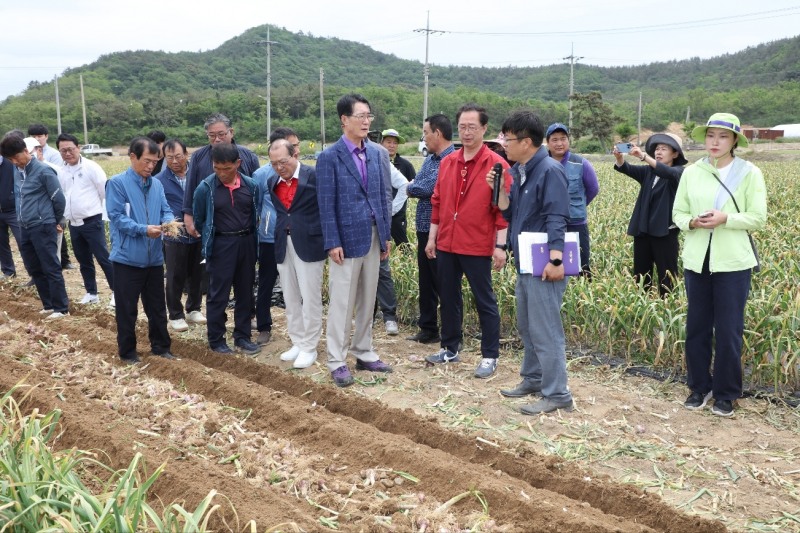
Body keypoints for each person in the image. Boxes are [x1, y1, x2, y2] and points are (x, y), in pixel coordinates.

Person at [672, 112, 766, 418]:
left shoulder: (749, 173)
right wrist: (692, 222)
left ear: (735, 140)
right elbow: (678, 212)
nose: (715, 142)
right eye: (711, 135)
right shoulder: (692, 172)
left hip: (733, 263)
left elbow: (758, 217)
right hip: (697, 260)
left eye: (723, 136)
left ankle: (726, 393)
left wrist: (727, 219)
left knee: (728, 330)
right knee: (697, 327)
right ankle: (699, 387)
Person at [489, 110, 575, 414]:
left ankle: (558, 393)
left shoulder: (549, 170)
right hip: (525, 260)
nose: (504, 146)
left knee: (546, 328)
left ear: (526, 142)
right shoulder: (520, 170)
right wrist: (499, 190)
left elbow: (557, 216)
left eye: (508, 140)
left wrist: (556, 258)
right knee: (528, 325)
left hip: (543, 263)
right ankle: (534, 378)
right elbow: (510, 215)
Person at [424, 104, 510, 379]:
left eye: (473, 127)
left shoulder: (497, 165)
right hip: (447, 242)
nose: (467, 132)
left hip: (476, 244)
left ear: (484, 129)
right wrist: (432, 238)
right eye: (462, 126)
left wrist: (500, 247)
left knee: (484, 300)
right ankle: (450, 347)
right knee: (448, 298)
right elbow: (437, 202)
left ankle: (490, 355)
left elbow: (503, 212)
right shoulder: (448, 162)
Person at [316, 93, 394, 387]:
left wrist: (385, 235)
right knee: (342, 302)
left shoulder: (378, 153)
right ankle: (336, 360)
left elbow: (384, 195)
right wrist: (332, 241)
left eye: (368, 116)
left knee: (367, 298)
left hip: (374, 236)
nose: (366, 121)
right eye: (360, 116)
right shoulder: (328, 157)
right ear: (344, 120)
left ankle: (364, 351)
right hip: (345, 240)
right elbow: (326, 203)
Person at [106, 137, 176, 364]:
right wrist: (143, 230)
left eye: (155, 162)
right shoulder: (117, 183)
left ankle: (161, 348)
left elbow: (166, 209)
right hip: (127, 259)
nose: (150, 166)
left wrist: (168, 224)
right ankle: (127, 353)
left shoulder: (156, 184)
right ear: (133, 157)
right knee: (127, 310)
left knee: (157, 307)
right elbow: (116, 218)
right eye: (146, 161)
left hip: (154, 258)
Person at [192, 143, 261, 356]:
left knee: (245, 292)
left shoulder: (251, 186)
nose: (222, 173)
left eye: (227, 169)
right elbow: (199, 219)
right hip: (221, 245)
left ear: (238, 164)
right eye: (217, 168)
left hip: (247, 242)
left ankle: (242, 336)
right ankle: (216, 339)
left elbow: (256, 213)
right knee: (218, 294)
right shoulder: (206, 188)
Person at [267, 139, 326, 368]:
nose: (280, 167)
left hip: (309, 242)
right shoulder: (273, 182)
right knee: (290, 296)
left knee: (310, 297)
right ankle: (298, 341)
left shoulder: (313, 177)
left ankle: (310, 346)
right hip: (283, 241)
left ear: (295, 155)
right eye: (274, 164)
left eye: (283, 161)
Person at [0, 133, 68, 319]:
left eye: (16, 157)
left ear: (25, 151)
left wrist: (52, 220)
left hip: (43, 225)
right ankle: (48, 304)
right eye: (10, 159)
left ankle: (61, 308)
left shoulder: (44, 171)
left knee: (50, 266)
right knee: (34, 267)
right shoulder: (17, 171)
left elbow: (59, 200)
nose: (14, 162)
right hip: (25, 226)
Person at [613, 132, 687, 296]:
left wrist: (642, 156)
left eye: (664, 149)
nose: (658, 152)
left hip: (665, 232)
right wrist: (619, 157)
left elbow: (667, 172)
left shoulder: (679, 173)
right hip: (643, 230)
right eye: (657, 149)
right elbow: (626, 168)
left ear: (675, 154)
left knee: (666, 276)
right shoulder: (648, 172)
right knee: (641, 274)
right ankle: (643, 308)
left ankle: (666, 308)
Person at [405, 114, 455, 344]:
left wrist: (412, 187)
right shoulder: (431, 159)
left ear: (438, 133)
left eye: (426, 133)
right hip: (425, 228)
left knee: (444, 281)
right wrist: (414, 187)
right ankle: (428, 328)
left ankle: (451, 332)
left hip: (444, 230)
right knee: (426, 280)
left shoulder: (452, 159)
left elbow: (428, 188)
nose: (424, 138)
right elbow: (419, 185)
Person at [251, 127, 299, 346]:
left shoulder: (302, 172)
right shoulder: (261, 176)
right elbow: (256, 206)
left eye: (295, 147)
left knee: (298, 284)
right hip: (269, 238)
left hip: (296, 237)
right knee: (266, 283)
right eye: (292, 145)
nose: (295, 150)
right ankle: (263, 326)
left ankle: (301, 331)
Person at [55, 133, 114, 305]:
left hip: (92, 220)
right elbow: (64, 194)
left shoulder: (91, 167)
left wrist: (106, 216)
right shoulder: (62, 171)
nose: (67, 153)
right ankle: (91, 293)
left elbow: (104, 192)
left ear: (78, 148)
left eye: (70, 149)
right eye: (63, 151)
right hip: (74, 223)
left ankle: (116, 291)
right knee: (83, 260)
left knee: (103, 257)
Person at [154, 138, 206, 332]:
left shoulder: (198, 174)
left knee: (197, 273)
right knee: (175, 275)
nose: (174, 161)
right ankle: (175, 314)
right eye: (169, 158)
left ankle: (194, 308)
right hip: (175, 234)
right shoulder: (159, 180)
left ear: (186, 154)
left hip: (198, 231)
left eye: (178, 156)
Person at [182, 113, 260, 240]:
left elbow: (257, 188)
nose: (217, 139)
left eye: (221, 134)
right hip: (210, 221)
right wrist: (188, 215)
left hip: (243, 224)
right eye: (212, 135)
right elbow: (191, 187)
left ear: (231, 132)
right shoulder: (198, 157)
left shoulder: (248, 156)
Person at [545, 123, 599, 278]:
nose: (559, 143)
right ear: (548, 142)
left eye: (563, 139)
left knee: (581, 268)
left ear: (568, 141)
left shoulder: (581, 163)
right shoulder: (541, 164)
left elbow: (593, 189)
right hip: (547, 224)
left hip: (576, 223)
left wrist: (578, 205)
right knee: (551, 266)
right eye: (554, 140)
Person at [374, 142, 409, 336]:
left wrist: (391, 210)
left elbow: (405, 185)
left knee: (382, 270)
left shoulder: (382, 162)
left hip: (379, 224)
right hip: (356, 226)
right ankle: (365, 317)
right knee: (358, 273)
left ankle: (389, 316)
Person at [380, 128, 415, 244]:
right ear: (381, 143)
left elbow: (413, 187)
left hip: (398, 216)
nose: (392, 145)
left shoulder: (406, 165)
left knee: (403, 246)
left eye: (395, 143)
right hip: (379, 215)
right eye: (388, 142)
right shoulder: (375, 161)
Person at [0, 147, 22, 281]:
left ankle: (34, 273)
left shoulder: (10, 164)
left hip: (13, 210)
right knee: (1, 244)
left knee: (23, 241)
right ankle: (8, 271)